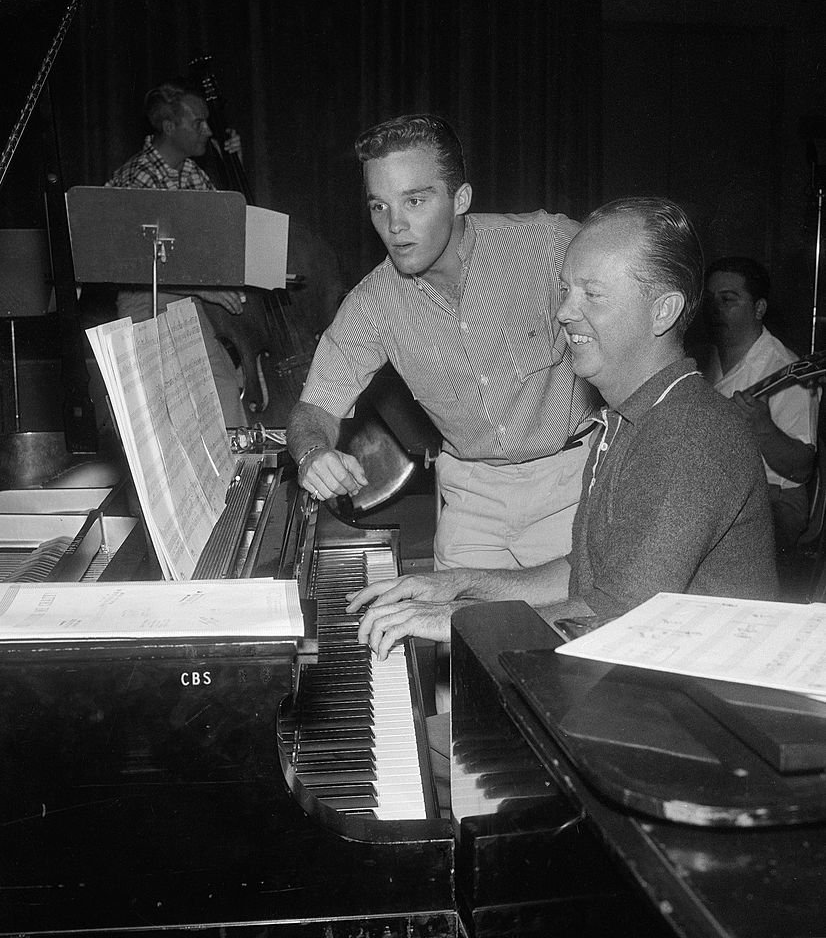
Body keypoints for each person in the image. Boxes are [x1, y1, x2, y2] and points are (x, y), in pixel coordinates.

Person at [348, 197, 779, 661]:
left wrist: (455, 619)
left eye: (592, 294)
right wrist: (458, 584)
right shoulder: (629, 417)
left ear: (663, 312)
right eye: (565, 290)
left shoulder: (690, 435)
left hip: (696, 714)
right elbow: (584, 574)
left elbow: (617, 617)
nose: (564, 312)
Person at [287, 113, 598, 571]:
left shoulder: (549, 246)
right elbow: (313, 409)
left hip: (569, 483)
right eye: (379, 206)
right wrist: (312, 453)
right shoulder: (373, 302)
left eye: (414, 200)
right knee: (457, 636)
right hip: (469, 496)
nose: (394, 226)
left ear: (460, 199)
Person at [106, 80, 248, 426]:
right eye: (198, 123)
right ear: (169, 127)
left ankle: (241, 475)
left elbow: (220, 230)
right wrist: (203, 287)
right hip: (148, 300)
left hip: (186, 299)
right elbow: (143, 264)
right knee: (169, 411)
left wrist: (235, 164)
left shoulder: (189, 171)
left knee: (224, 388)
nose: (208, 130)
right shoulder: (138, 176)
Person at [701, 257, 818, 552]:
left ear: (759, 309)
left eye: (728, 299)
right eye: (710, 299)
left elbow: (801, 470)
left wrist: (762, 427)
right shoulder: (697, 358)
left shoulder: (787, 369)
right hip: (707, 492)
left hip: (773, 500)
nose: (715, 308)